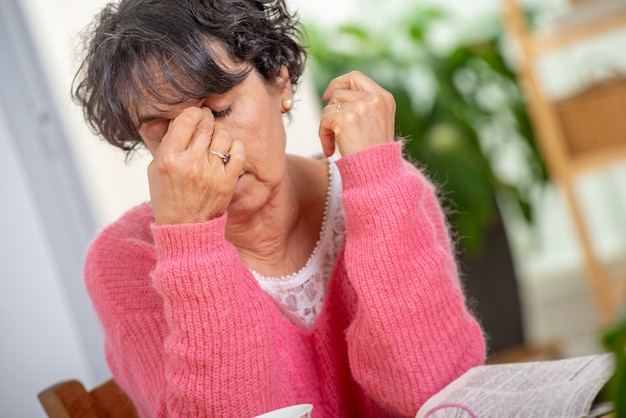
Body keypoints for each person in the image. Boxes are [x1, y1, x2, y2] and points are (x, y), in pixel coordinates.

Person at [73, 0, 485, 416]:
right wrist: (192, 242)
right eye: (164, 133)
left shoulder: (389, 193)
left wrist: (378, 184)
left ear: (280, 83)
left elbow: (440, 395)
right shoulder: (122, 261)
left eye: (220, 110)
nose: (210, 150)